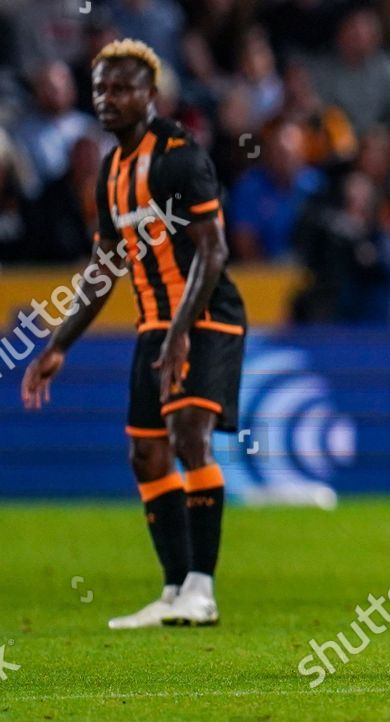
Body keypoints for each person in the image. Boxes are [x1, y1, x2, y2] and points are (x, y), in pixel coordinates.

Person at [21, 39, 245, 629]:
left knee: (186, 433)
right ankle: (173, 589)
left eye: (122, 88)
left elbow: (213, 250)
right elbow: (104, 270)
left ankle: (203, 587)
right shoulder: (112, 171)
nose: (109, 99)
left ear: (151, 94)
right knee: (146, 455)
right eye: (100, 89)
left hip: (205, 318)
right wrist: (59, 345)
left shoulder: (179, 155)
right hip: (155, 326)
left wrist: (180, 332)